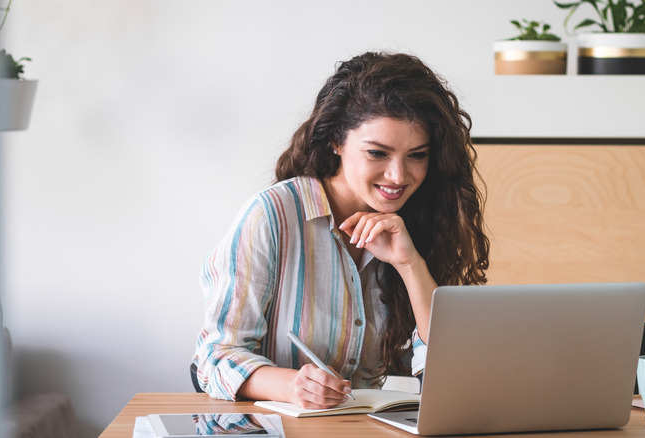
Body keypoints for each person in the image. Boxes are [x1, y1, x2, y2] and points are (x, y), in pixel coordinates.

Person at [193, 51, 489, 409]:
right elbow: (216, 357)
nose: (398, 176)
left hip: (363, 426)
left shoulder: (422, 221)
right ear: (336, 141)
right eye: (378, 153)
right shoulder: (273, 214)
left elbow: (449, 372)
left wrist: (410, 265)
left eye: (417, 155)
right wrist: (292, 386)